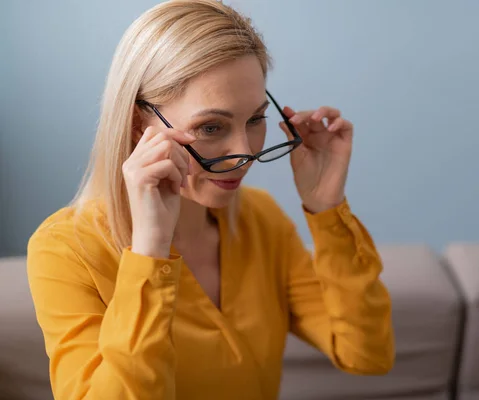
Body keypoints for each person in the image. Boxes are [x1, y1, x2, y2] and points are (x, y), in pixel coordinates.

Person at [26, 0, 395, 399]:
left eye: (255, 119)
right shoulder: (65, 251)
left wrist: (326, 208)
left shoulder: (260, 220)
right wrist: (149, 253)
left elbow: (366, 353)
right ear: (138, 125)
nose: (244, 153)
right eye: (211, 126)